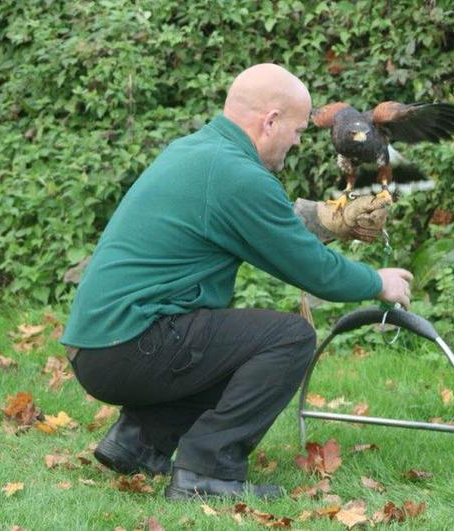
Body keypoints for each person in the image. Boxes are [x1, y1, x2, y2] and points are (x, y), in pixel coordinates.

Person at [60, 63, 413, 501]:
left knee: (225, 342)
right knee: (289, 337)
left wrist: (325, 219)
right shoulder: (237, 176)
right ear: (271, 121)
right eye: (298, 131)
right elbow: (314, 271)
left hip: (99, 345)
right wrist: (377, 281)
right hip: (129, 346)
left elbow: (271, 224)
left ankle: (139, 441)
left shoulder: (198, 151)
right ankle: (207, 471)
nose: (298, 142)